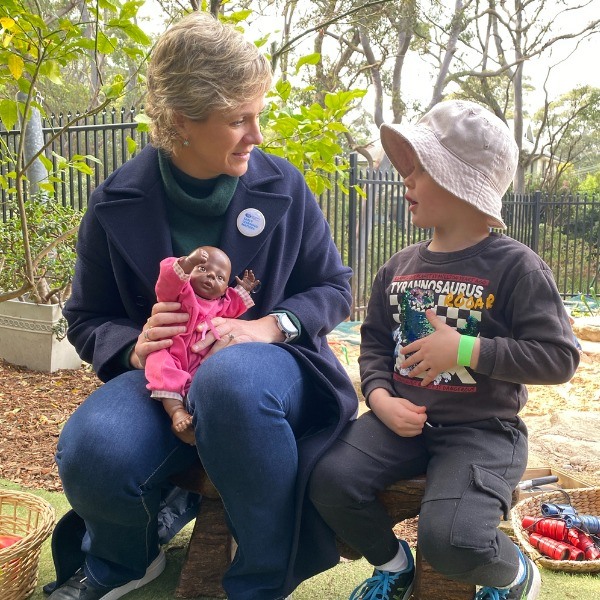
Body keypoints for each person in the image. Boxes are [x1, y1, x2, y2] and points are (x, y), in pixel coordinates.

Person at [51, 10, 358, 600]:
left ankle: (261, 582)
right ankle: (125, 561)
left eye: (257, 114)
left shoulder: (285, 186)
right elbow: (87, 318)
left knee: (232, 379)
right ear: (178, 121)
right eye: (239, 119)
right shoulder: (114, 200)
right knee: (94, 451)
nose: (257, 134)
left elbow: (334, 286)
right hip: (167, 382)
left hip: (271, 377)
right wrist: (133, 346)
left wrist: (272, 325)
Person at [309, 100, 580, 600]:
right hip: (401, 425)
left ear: (462, 181)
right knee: (329, 481)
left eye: (419, 171)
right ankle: (393, 565)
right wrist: (380, 397)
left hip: (483, 432)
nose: (405, 181)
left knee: (451, 540)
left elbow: (560, 358)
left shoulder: (517, 267)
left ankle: (516, 575)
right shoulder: (398, 267)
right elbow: (373, 343)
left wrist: (467, 350)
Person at [145, 245, 260, 445]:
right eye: (203, 269)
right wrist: (187, 263)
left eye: (220, 277)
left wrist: (244, 290)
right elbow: (167, 283)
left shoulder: (220, 305)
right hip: (172, 351)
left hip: (200, 359)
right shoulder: (181, 293)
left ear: (226, 288)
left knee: (211, 379)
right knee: (162, 365)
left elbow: (234, 305)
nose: (210, 278)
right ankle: (177, 413)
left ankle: (196, 422)